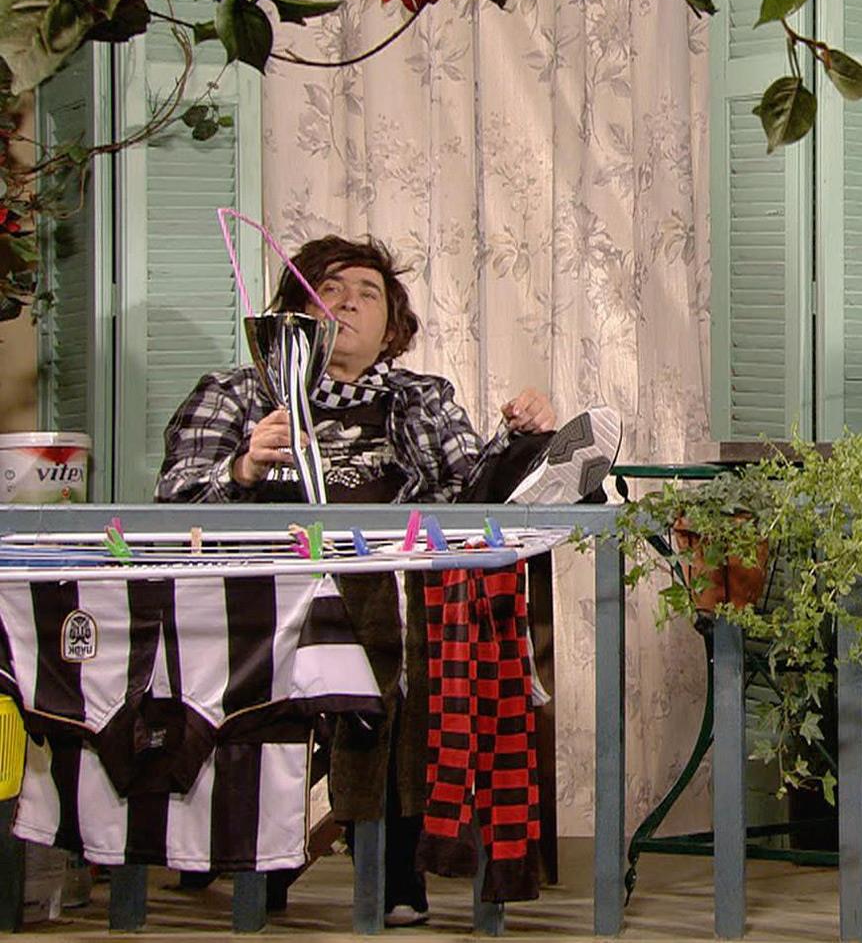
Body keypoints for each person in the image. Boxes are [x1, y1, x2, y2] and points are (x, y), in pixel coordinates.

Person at [156, 234, 621, 923]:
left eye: (367, 293)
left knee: (416, 598)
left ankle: (534, 457)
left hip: (404, 600)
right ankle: (394, 868)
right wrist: (244, 468)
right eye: (329, 289)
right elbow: (171, 506)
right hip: (272, 604)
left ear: (390, 326)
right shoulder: (236, 394)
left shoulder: (421, 398)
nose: (348, 302)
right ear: (291, 316)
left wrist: (511, 441)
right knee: (393, 615)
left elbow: (466, 503)